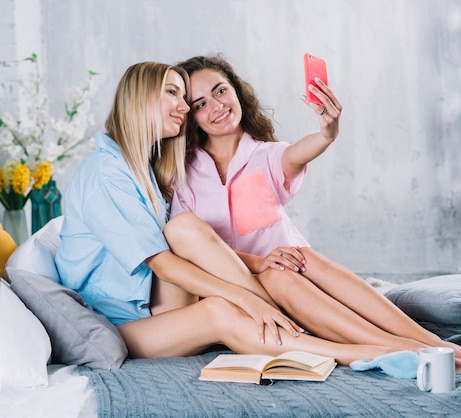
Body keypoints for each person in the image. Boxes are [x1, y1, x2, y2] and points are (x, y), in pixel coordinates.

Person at [54, 61, 405, 367]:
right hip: (119, 322)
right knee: (220, 307)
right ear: (142, 98)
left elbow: (293, 156)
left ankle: (396, 341)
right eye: (175, 94)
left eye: (184, 97)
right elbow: (162, 264)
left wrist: (256, 269)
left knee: (189, 232)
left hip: (155, 302)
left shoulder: (143, 169)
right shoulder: (107, 173)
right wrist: (247, 299)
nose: (183, 106)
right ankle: (367, 352)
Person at [171, 54, 461, 370]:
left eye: (220, 91)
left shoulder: (267, 156)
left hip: (298, 275)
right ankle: (402, 348)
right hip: (243, 290)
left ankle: (433, 343)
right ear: (191, 116)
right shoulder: (183, 176)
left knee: (301, 257)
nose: (216, 106)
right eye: (200, 104)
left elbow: (298, 153)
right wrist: (259, 263)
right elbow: (189, 253)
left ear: (236, 91)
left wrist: (327, 133)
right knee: (280, 273)